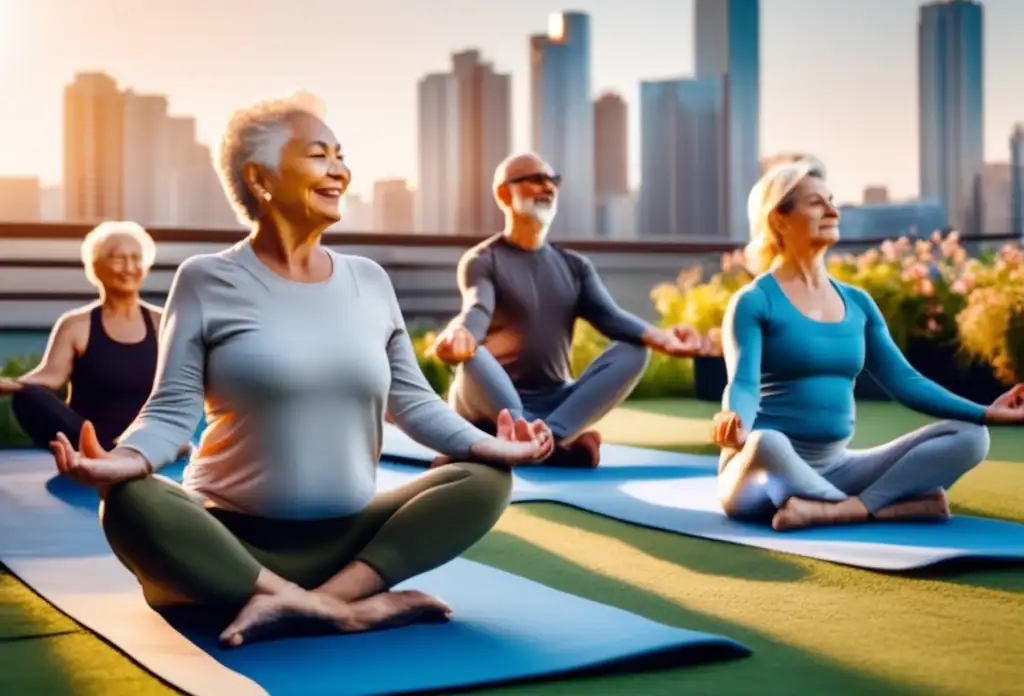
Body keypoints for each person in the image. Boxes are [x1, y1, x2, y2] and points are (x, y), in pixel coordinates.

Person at [47, 94, 556, 648]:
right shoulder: (205, 279)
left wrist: (494, 448)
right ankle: (347, 612)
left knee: (484, 481)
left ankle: (316, 603)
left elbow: (414, 403)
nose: (340, 170)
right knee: (128, 500)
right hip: (228, 544)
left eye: (340, 155)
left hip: (348, 544)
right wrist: (118, 460)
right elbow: (171, 412)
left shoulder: (370, 281)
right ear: (259, 177)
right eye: (318, 155)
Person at [714, 156, 1024, 531]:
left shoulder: (857, 303)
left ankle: (842, 510)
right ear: (779, 218)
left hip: (837, 468)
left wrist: (986, 412)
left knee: (971, 437)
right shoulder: (754, 301)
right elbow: (743, 384)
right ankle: (887, 507)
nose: (833, 210)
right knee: (768, 442)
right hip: (758, 473)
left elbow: (906, 382)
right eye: (817, 203)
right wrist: (735, 420)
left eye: (832, 200)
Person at [430, 151, 705, 469]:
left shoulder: (575, 266)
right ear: (504, 193)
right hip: (491, 401)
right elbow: (477, 308)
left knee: (635, 350)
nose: (547, 187)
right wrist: (459, 336)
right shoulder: (482, 260)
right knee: (473, 356)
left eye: (552, 180)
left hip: (556, 403)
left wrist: (664, 338)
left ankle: (547, 438)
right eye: (535, 179)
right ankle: (539, 444)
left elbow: (611, 318)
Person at [0, 221, 163, 452]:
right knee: (28, 396)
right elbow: (52, 375)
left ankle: (125, 454)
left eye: (136, 258)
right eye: (118, 258)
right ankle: (103, 453)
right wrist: (13, 385)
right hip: (87, 442)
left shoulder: (163, 323)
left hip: (148, 442)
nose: (129, 267)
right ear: (96, 267)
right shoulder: (76, 324)